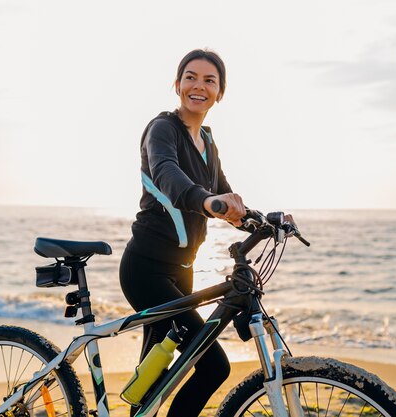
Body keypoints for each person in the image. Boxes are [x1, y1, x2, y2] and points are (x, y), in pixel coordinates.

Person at [119, 49, 246, 417]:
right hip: (146, 268)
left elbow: (222, 190)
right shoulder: (162, 129)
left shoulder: (208, 142)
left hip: (182, 269)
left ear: (220, 92)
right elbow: (167, 175)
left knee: (155, 374)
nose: (199, 86)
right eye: (190, 77)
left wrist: (254, 217)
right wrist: (207, 203)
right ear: (177, 85)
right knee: (213, 365)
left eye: (210, 80)